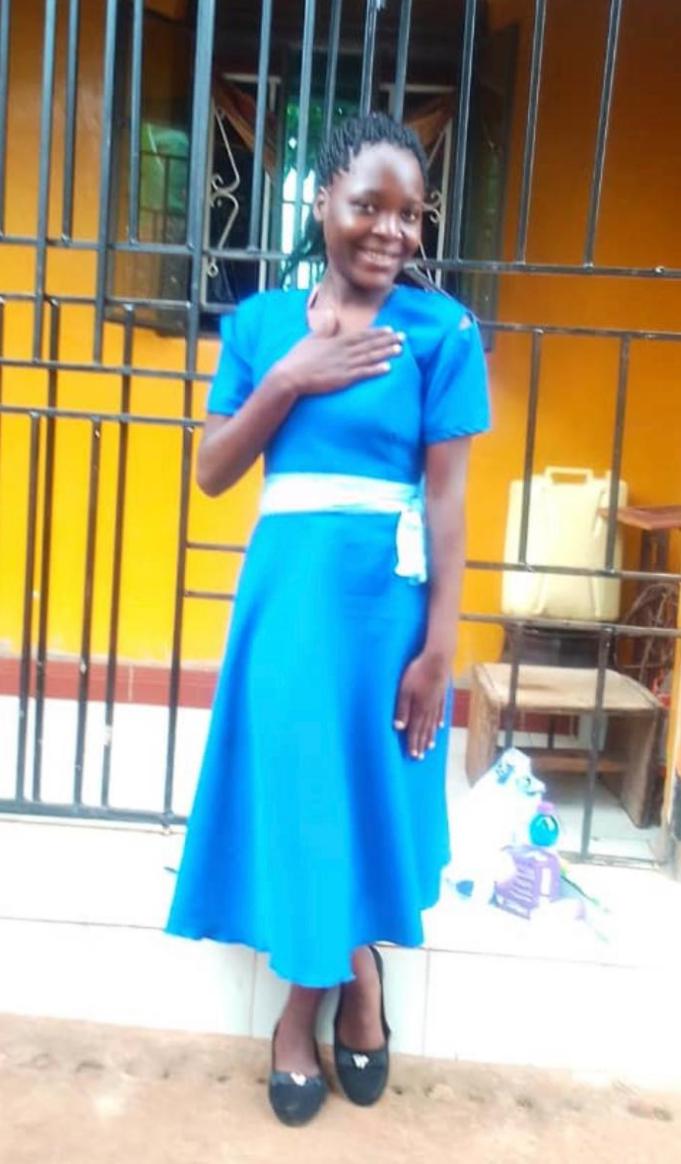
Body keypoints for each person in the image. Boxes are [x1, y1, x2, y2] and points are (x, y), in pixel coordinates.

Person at [166, 112, 490, 1126]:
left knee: (364, 798)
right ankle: (337, 995)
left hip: (385, 612)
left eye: (410, 212)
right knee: (310, 796)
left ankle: (327, 1000)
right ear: (322, 203)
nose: (391, 230)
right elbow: (216, 471)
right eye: (368, 206)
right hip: (289, 603)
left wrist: (440, 646)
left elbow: (446, 501)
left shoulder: (443, 332)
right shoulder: (262, 324)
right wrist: (293, 378)